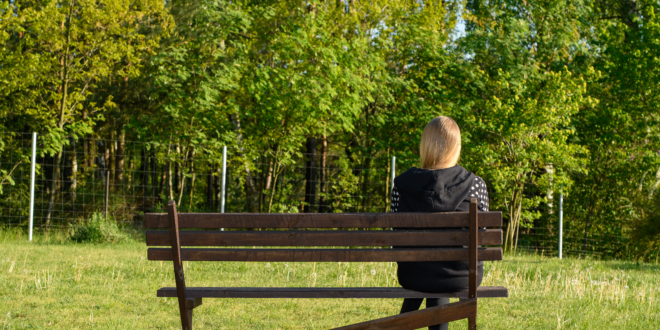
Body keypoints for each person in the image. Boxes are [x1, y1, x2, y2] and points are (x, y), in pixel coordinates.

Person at [390, 116, 489, 330]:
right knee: (439, 273)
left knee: (428, 271)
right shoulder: (475, 185)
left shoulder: (401, 185)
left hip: (413, 274)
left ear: (425, 146)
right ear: (457, 147)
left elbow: (394, 235)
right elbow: (481, 239)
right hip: (461, 276)